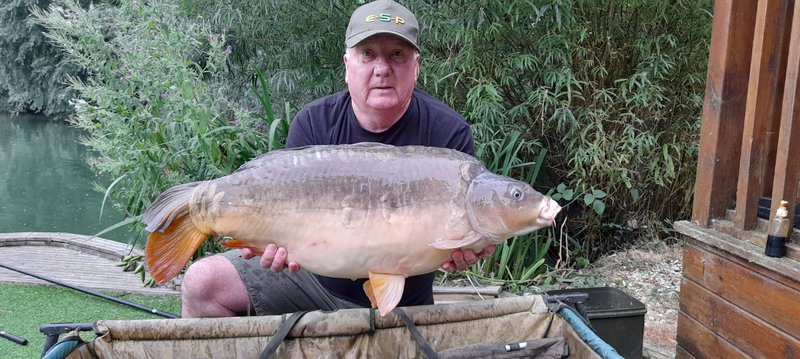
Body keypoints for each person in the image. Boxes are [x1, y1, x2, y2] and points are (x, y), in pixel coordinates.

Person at [180, 0, 494, 318]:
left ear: (416, 66)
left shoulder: (448, 136)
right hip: (313, 284)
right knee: (202, 282)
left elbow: (456, 239)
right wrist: (270, 245)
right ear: (347, 65)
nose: (382, 68)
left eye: (397, 54)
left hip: (405, 303)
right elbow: (281, 224)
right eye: (367, 54)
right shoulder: (313, 123)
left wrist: (463, 251)